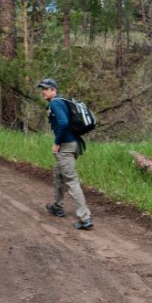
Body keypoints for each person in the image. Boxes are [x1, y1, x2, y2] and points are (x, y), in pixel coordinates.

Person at [37, 78, 93, 230]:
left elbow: (63, 123)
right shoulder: (61, 101)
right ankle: (57, 206)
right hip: (72, 144)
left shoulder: (55, 103)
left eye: (46, 88)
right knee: (58, 174)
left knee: (71, 180)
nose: (43, 91)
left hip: (66, 146)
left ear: (54, 90)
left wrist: (57, 142)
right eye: (42, 88)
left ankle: (85, 218)